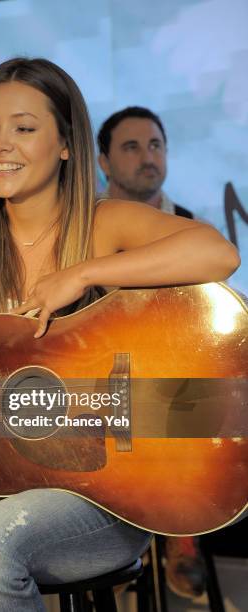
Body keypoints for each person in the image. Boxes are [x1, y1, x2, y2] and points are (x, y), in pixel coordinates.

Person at [0, 59, 240, 612]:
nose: (0, 145)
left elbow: (219, 253)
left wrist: (79, 273)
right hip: (6, 466)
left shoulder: (103, 224)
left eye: (24, 128)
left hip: (110, 489)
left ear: (67, 145)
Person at [97, 106, 205, 599]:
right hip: (100, 385)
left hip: (172, 385)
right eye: (132, 147)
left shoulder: (191, 229)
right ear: (103, 162)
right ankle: (123, 532)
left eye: (156, 145)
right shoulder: (87, 231)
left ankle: (176, 530)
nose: (148, 158)